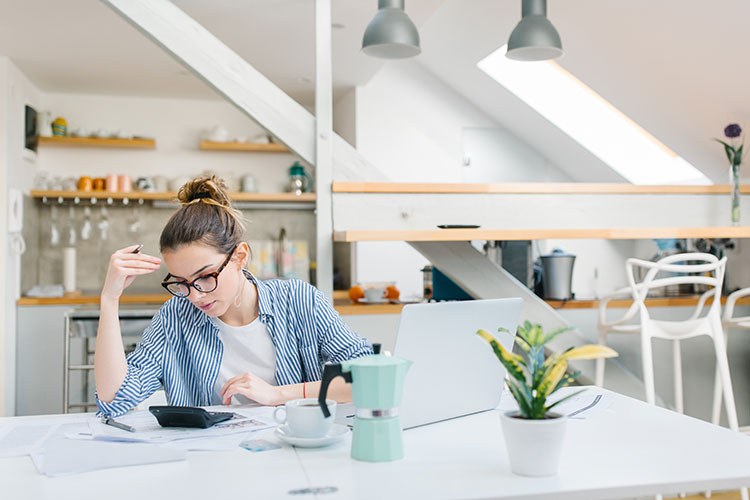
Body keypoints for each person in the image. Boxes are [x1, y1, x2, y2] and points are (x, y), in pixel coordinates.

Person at [94, 175, 372, 417]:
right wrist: (109, 298)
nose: (195, 296)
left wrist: (277, 395)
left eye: (205, 276)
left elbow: (369, 378)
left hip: (292, 459)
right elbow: (115, 400)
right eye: (182, 282)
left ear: (240, 256)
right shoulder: (175, 317)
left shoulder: (299, 301)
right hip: (210, 465)